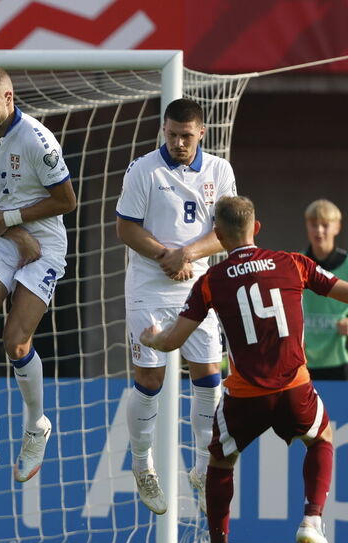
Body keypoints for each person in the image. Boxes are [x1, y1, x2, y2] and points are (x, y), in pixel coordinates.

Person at [141, 195, 339, 543]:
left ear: (217, 233)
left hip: (246, 393)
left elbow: (172, 341)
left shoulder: (211, 280)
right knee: (321, 438)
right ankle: (311, 519)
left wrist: (151, 336)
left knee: (219, 462)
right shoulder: (293, 263)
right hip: (294, 386)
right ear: (257, 228)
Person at [115, 98, 236, 515]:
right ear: (163, 131)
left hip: (197, 285)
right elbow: (125, 227)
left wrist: (185, 254)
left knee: (208, 376)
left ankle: (202, 470)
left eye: (186, 135)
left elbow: (225, 232)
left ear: (201, 132)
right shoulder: (143, 169)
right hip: (149, 285)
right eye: (171, 134)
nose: (179, 142)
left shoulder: (219, 171)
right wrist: (165, 255)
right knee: (150, 378)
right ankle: (142, 463)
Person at [0, 67, 77, 481]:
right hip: (1, 234)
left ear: (9, 98)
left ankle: (35, 425)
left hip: (44, 243)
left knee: (15, 342)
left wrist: (17, 223)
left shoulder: (36, 139)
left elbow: (67, 200)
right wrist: (12, 229)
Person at [302, 199, 348, 380]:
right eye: (314, 225)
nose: (319, 230)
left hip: (341, 362)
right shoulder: (296, 263)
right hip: (304, 363)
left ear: (337, 227)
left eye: (325, 225)